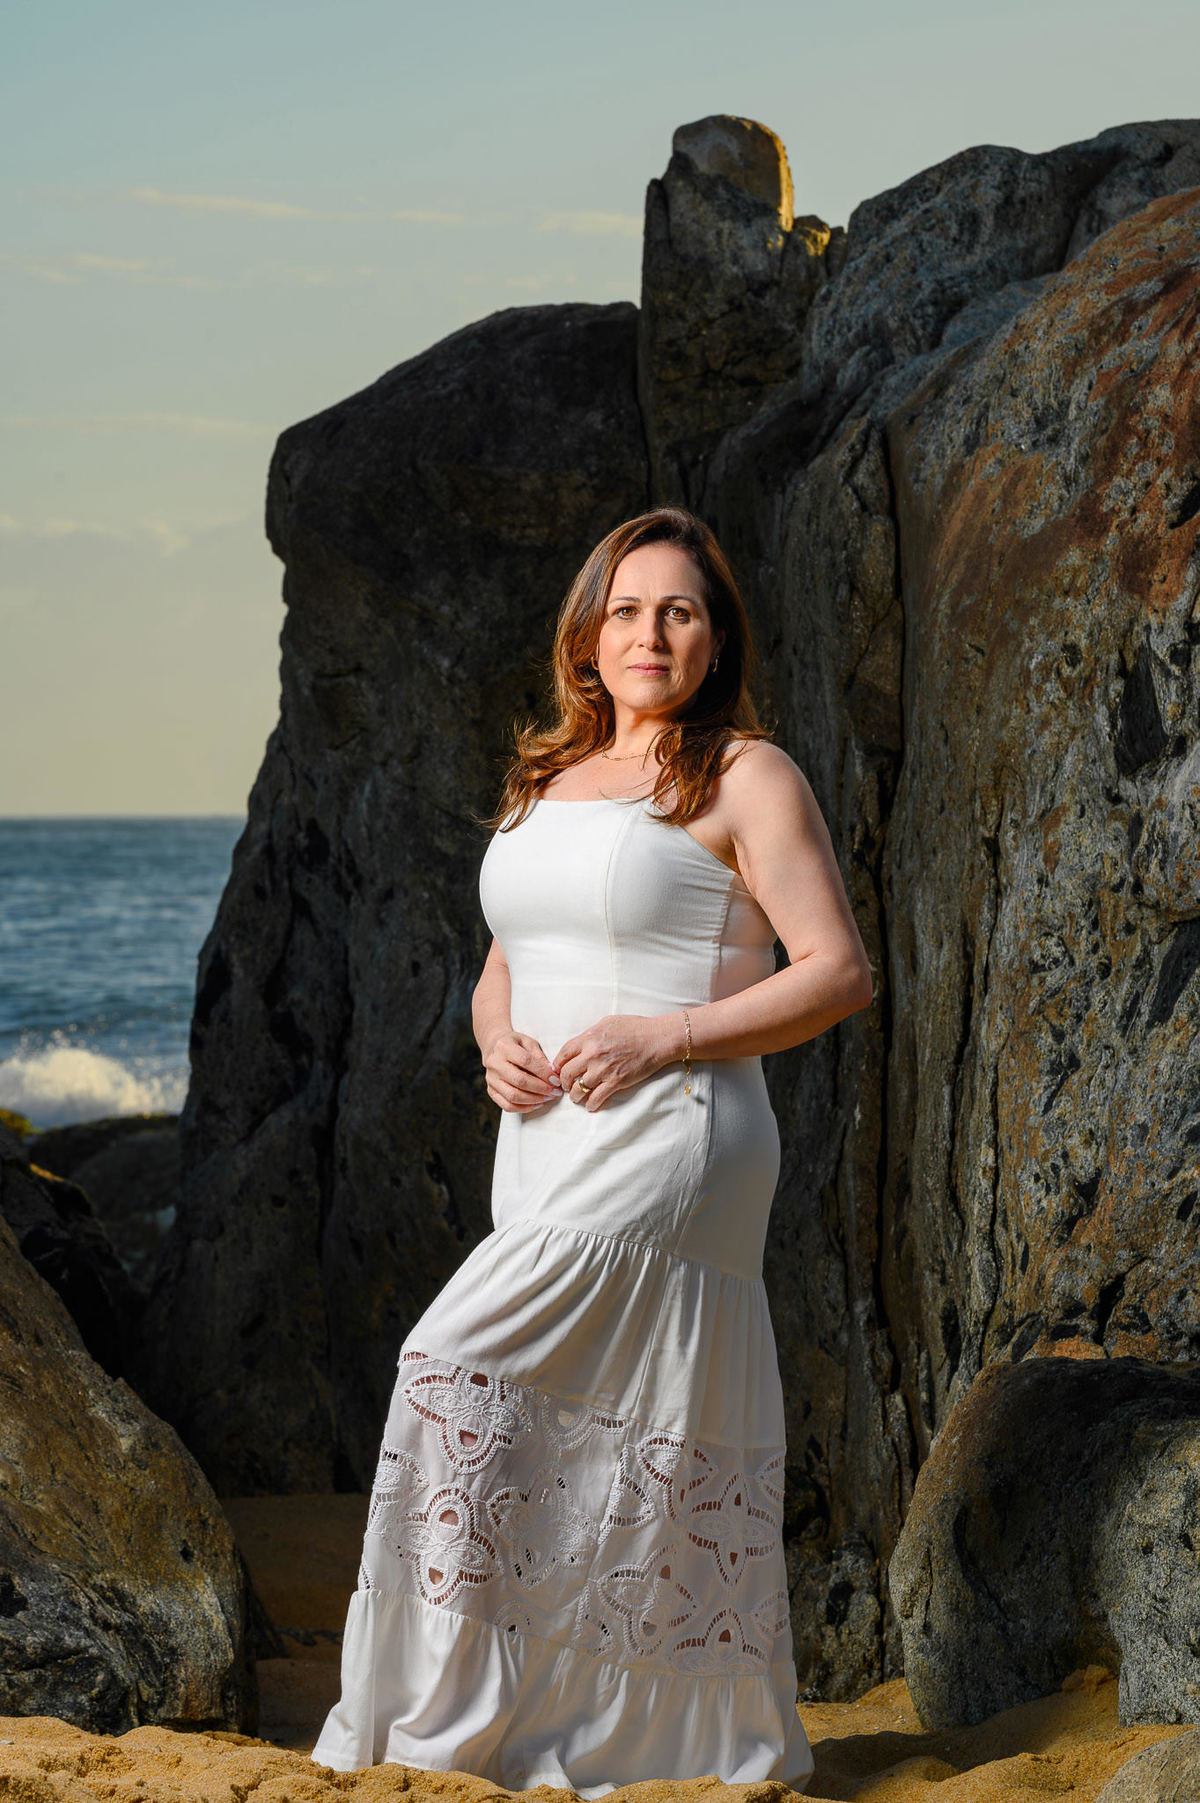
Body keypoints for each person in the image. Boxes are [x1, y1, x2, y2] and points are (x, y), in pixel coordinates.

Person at [311, 504, 874, 1794]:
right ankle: (595, 1729)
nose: (650, 634)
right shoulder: (544, 779)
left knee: (448, 1364)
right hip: (546, 1138)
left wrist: (670, 1039)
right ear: (589, 632)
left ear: (715, 635)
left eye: (680, 610)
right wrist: (492, 1031)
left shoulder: (747, 774)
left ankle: (455, 1717)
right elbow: (511, 948)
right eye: (626, 609)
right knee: (603, 1434)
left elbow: (839, 970)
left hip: (674, 1136)